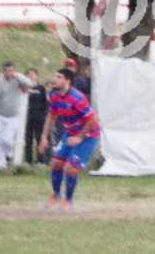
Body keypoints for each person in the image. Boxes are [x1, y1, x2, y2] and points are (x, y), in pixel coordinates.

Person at [38, 68, 101, 211]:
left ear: (67, 81)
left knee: (71, 168)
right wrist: (44, 137)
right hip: (71, 133)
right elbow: (51, 116)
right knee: (56, 163)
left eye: (59, 77)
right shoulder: (55, 96)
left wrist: (80, 137)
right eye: (55, 76)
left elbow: (93, 120)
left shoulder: (77, 98)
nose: (55, 79)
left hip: (89, 135)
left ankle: (68, 201)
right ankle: (56, 196)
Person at [0, 62, 33, 168]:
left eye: (10, 70)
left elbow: (30, 84)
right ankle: (2, 165)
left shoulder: (18, 79)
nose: (8, 73)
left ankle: (9, 153)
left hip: (13, 116)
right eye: (6, 71)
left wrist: (17, 76)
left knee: (7, 140)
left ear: (14, 71)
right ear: (3, 71)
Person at [25, 69, 48, 165]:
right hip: (28, 118)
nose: (31, 76)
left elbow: (45, 103)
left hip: (39, 118)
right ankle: (28, 160)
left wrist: (44, 115)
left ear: (37, 76)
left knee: (39, 139)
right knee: (28, 140)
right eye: (28, 74)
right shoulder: (24, 88)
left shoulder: (41, 88)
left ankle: (41, 160)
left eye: (33, 74)